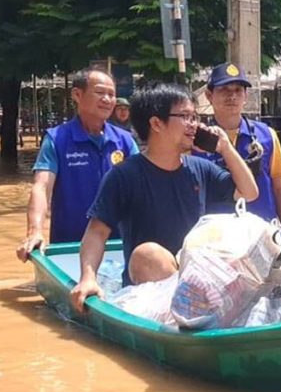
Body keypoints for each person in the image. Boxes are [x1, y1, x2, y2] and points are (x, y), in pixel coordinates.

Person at [70, 84, 259, 311]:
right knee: (148, 254)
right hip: (150, 282)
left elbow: (249, 193)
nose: (195, 125)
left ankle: (204, 306)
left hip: (196, 276)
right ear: (156, 123)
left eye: (195, 116)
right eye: (185, 116)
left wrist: (226, 149)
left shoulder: (200, 168)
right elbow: (96, 233)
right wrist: (88, 279)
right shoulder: (124, 175)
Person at [16, 70, 138, 262]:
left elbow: (142, 186)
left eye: (111, 94)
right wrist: (35, 231)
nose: (107, 99)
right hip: (70, 247)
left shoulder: (125, 141)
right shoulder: (57, 139)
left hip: (119, 245)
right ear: (77, 95)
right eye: (100, 93)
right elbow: (42, 186)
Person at [193, 62, 281, 223]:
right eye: (224, 90)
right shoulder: (197, 140)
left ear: (245, 96)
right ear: (209, 96)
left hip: (263, 235)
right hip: (215, 237)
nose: (232, 96)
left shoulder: (267, 135)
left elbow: (279, 188)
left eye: (238, 90)